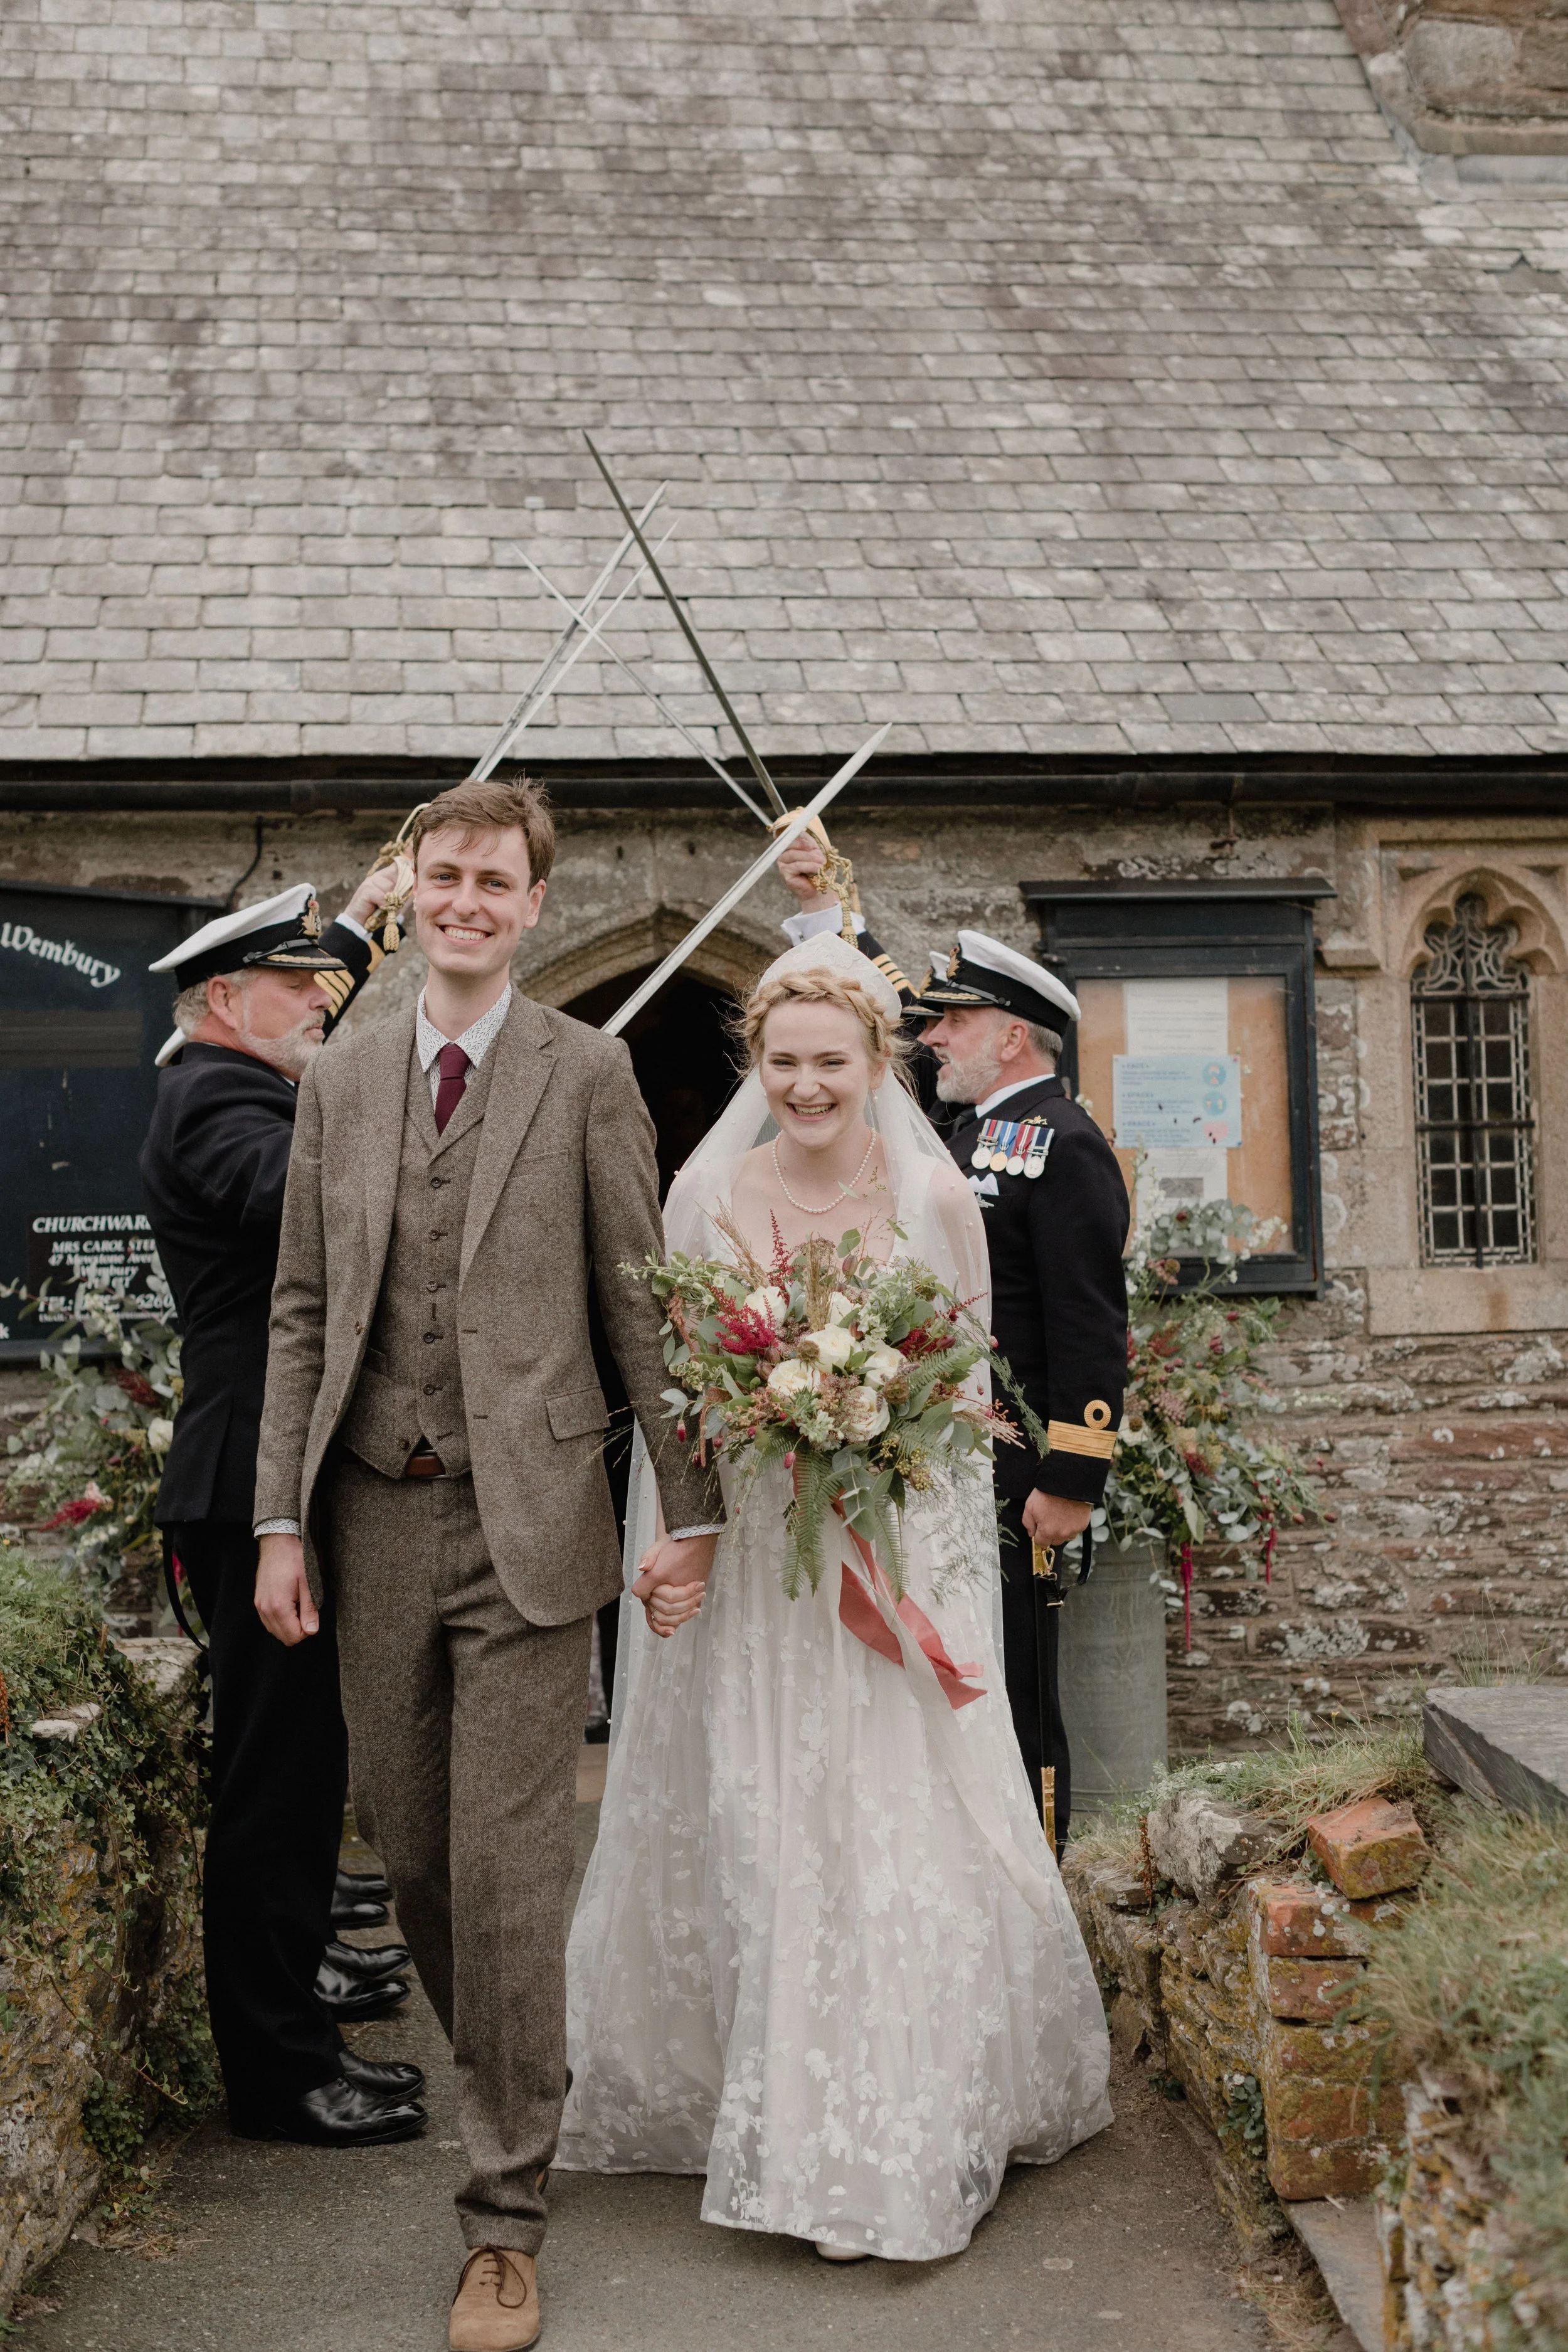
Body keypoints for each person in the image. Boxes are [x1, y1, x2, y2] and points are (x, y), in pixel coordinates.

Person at [250, 776, 723, 2352]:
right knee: (421, 1861)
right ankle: (525, 2072)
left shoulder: (584, 1072)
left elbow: (640, 1304)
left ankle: (503, 2217)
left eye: (493, 881)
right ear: (415, 890)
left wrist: (692, 1508)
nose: (465, 899)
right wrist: (274, 1520)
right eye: (444, 874)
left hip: (533, 1533)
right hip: (370, 1519)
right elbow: (303, 1310)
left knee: (512, 1878)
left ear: (534, 906)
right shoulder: (340, 1076)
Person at [558, 934, 1113, 2264]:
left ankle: (902, 2119)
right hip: (762, 1553)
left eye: (830, 1062)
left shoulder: (932, 1193)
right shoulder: (709, 1195)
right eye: (783, 1061)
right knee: (764, 1802)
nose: (805, 1085)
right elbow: (683, 1388)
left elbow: (972, 1381)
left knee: (893, 1799)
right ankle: (774, 2101)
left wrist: (872, 1429)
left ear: (876, 1065)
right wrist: (731, 1486)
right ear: (757, 1064)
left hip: (901, 1545)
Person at [141, 873, 429, 2150]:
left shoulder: (249, 1075)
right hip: (254, 1478)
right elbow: (311, 1204)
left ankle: (297, 2006)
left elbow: (310, 1070)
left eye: (328, 978)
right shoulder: (217, 1099)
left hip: (284, 1474)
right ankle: (276, 2073)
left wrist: (365, 931)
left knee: (305, 1775)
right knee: (273, 1787)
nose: (321, 1001)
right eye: (295, 984)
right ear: (220, 997)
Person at [914, 933, 1130, 1847]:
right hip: (948, 1467)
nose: (933, 1039)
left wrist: (1071, 1478)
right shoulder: (970, 1132)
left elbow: (1089, 1323)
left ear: (1011, 1036)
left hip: (1019, 1479)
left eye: (954, 1021)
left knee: (1019, 1692)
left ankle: (1044, 1878)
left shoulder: (1065, 1144)